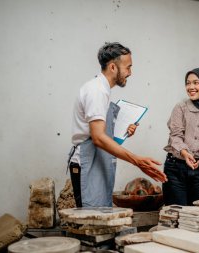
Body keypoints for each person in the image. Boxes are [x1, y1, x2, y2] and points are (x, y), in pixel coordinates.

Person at [68, 42, 167, 207]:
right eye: (128, 67)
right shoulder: (97, 91)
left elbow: (100, 132)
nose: (130, 73)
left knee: (100, 218)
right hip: (88, 162)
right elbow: (98, 138)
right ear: (113, 67)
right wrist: (137, 160)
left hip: (98, 160)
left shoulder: (103, 89)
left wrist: (121, 131)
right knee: (91, 219)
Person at [163, 68, 199, 206]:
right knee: (175, 215)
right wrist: (185, 154)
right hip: (176, 168)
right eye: (188, 83)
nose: (191, 87)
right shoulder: (181, 108)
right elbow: (175, 136)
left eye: (196, 83)